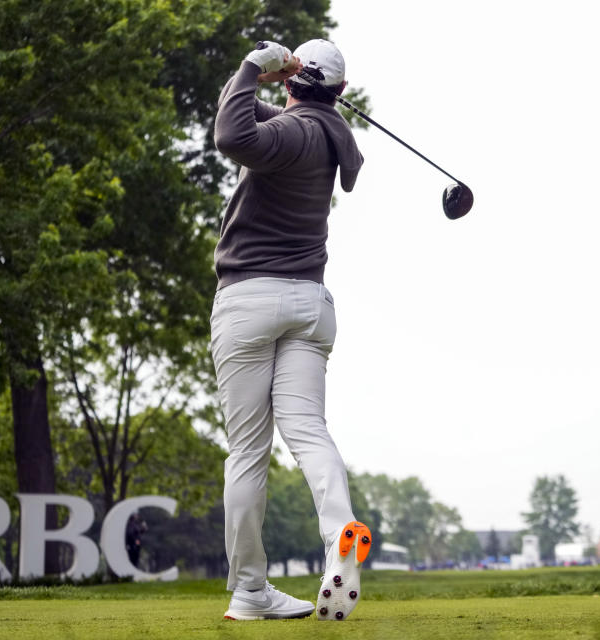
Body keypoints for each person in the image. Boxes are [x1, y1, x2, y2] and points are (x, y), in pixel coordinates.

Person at [211, 38, 371, 621]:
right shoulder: (329, 136)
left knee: (249, 451)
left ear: (291, 83)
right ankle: (339, 535)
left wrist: (256, 63)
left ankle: (250, 590)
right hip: (311, 302)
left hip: (250, 300)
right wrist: (256, 80)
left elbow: (231, 133)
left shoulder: (289, 134)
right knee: (308, 428)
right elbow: (240, 110)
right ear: (342, 92)